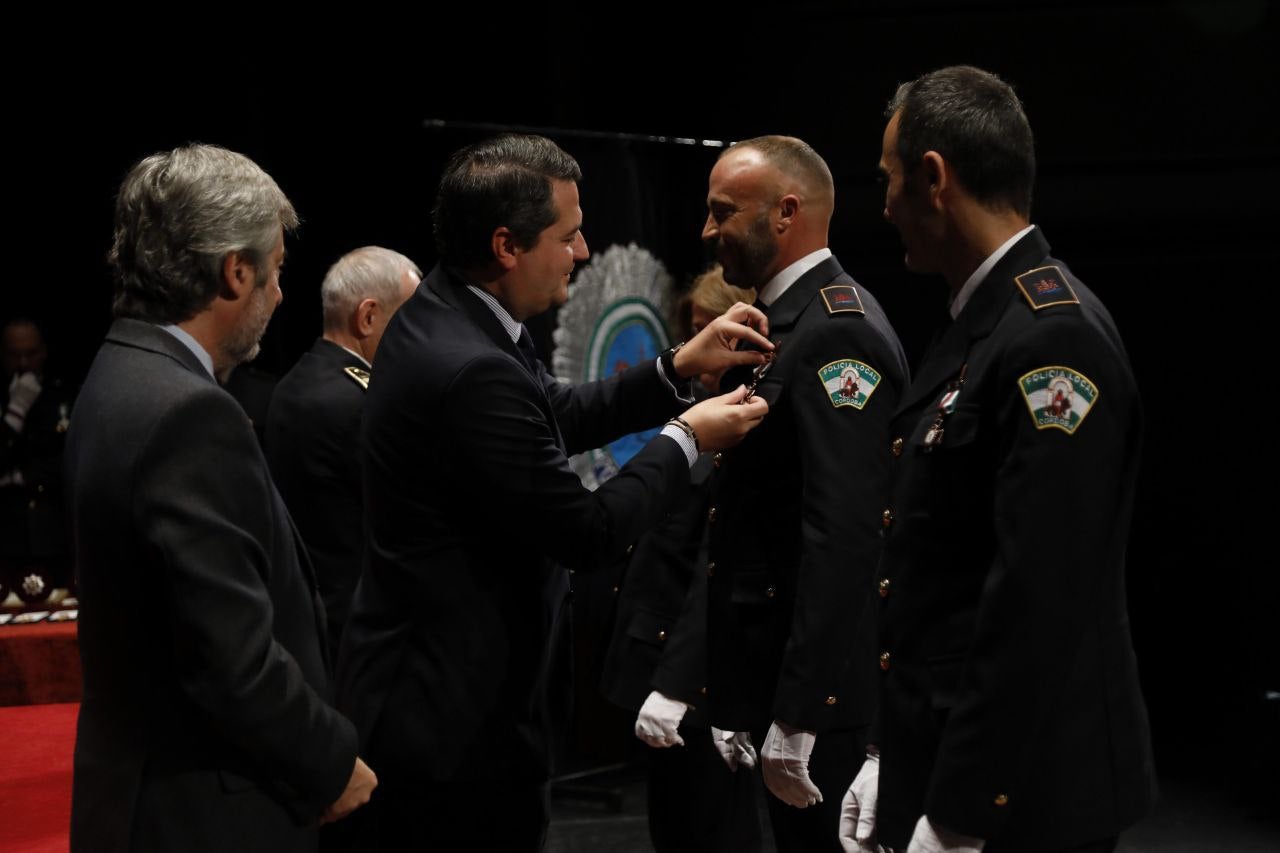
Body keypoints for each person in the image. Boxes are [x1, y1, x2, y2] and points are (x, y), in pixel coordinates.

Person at [336, 133, 771, 850]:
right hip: (450, 724)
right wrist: (688, 437)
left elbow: (553, 416)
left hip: (431, 691)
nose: (582, 250)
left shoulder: (456, 312)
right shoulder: (469, 364)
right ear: (508, 245)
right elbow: (588, 531)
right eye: (567, 235)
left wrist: (674, 369)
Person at [840, 65, 1156, 853]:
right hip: (957, 751)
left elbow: (1037, 598)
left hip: (1024, 790)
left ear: (934, 177)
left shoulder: (1052, 335)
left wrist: (963, 808)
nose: (884, 207)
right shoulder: (985, 325)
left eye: (888, 181)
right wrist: (888, 745)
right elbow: (926, 571)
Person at [65, 143, 375, 853]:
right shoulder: (187, 412)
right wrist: (331, 761)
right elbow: (231, 660)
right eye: (276, 271)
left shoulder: (117, 370)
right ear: (236, 271)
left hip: (141, 796)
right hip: (206, 810)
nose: (279, 295)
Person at [693, 136, 908, 852]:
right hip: (779, 675)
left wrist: (802, 710)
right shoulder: (780, 323)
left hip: (824, 703)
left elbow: (845, 536)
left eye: (723, 211)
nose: (707, 229)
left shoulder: (835, 332)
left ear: (786, 212)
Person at [601, 264, 764, 853]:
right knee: (674, 824)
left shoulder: (743, 416)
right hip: (659, 645)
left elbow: (718, 556)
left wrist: (682, 683)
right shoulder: (696, 405)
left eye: (712, 335)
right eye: (691, 333)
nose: (699, 355)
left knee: (715, 827)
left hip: (701, 664)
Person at [265, 246, 422, 660]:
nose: (421, 339)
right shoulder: (360, 403)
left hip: (310, 622)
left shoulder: (294, 384)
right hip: (365, 637)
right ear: (368, 317)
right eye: (412, 321)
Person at [1, 317, 75, 602]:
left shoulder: (64, 396)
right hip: (8, 538)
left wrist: (21, 477)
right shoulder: (5, 399)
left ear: (43, 352)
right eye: (14, 354)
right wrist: (15, 412)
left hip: (56, 534)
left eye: (30, 353)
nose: (22, 363)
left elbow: (71, 461)